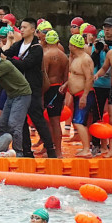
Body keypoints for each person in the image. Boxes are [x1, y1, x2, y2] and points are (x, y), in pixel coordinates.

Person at [4, 17, 56, 158]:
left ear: (33, 30)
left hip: (32, 89)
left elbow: (26, 64)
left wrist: (8, 60)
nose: (21, 29)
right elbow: (6, 53)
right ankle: (26, 151)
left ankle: (51, 149)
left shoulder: (36, 48)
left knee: (37, 119)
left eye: (25, 27)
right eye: (20, 27)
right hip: (19, 89)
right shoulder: (19, 44)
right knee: (20, 121)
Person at [62, 34, 95, 157]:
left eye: (70, 44)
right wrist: (66, 84)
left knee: (78, 121)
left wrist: (85, 96)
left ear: (74, 46)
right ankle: (86, 147)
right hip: (78, 94)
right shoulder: (76, 57)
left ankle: (86, 149)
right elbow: (75, 76)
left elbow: (89, 78)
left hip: (83, 94)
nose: (69, 46)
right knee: (79, 122)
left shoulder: (85, 59)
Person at [42, 30, 69, 158]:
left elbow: (44, 77)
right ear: (58, 41)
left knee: (47, 121)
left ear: (46, 41)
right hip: (59, 89)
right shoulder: (64, 57)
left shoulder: (46, 55)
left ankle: (50, 149)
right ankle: (57, 151)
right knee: (56, 121)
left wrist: (42, 94)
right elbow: (66, 79)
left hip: (48, 89)